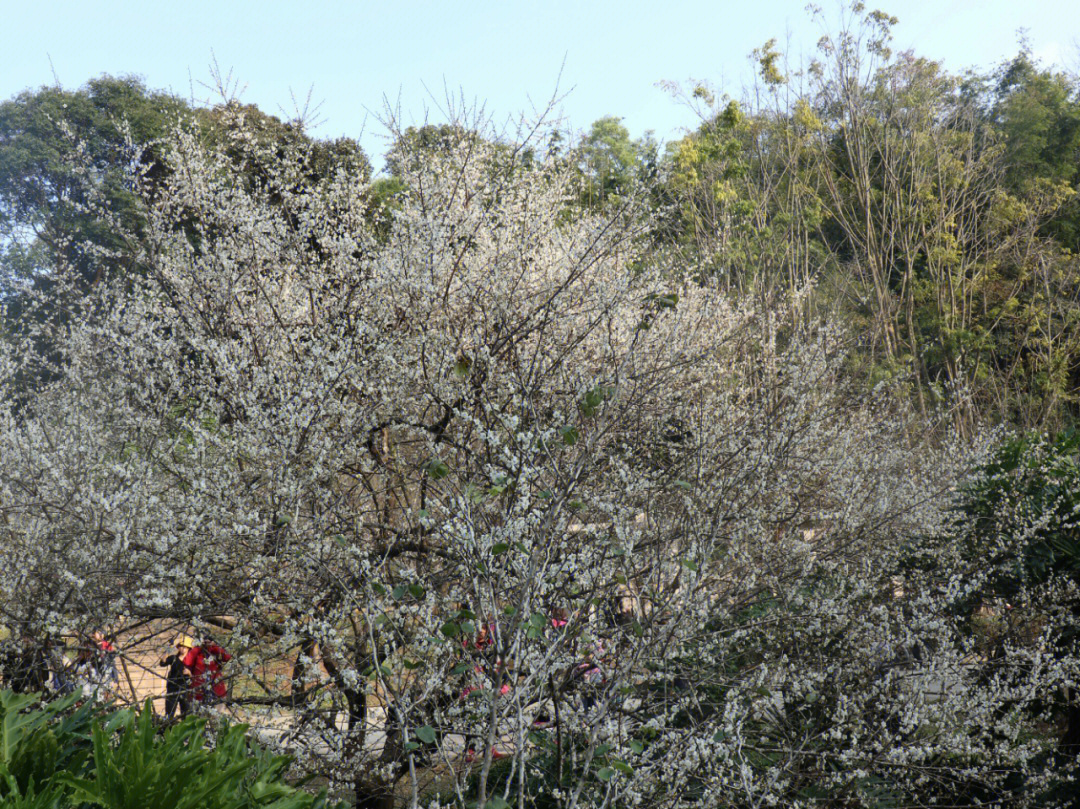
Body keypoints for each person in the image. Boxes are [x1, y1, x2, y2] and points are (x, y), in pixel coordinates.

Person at [182, 637, 232, 705]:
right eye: (205, 642)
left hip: (216, 689)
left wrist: (214, 647)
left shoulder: (215, 652)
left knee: (217, 712)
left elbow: (227, 657)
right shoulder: (198, 653)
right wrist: (198, 647)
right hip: (199, 689)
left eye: (209, 642)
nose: (207, 644)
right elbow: (186, 661)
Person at [159, 636, 193, 719]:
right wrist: (168, 648)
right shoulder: (173, 658)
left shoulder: (192, 661)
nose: (182, 649)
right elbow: (163, 662)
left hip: (185, 689)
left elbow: (196, 676)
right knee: (169, 713)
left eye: (185, 647)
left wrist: (189, 673)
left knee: (186, 714)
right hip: (172, 688)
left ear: (188, 648)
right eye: (181, 646)